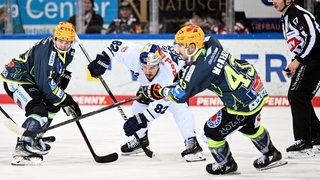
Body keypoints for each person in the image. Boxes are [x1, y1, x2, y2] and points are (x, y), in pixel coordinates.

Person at [129, 25, 286, 175]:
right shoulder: (212, 43)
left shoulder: (199, 71)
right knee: (249, 126)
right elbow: (199, 63)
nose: (177, 49)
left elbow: (179, 95)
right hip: (256, 90)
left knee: (211, 132)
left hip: (241, 105)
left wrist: (156, 91)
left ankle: (226, 164)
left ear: (191, 47)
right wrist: (185, 73)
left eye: (180, 46)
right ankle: (272, 154)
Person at [87, 41, 205, 162]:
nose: (148, 71)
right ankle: (141, 140)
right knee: (138, 106)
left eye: (153, 67)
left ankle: (193, 144)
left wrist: (141, 119)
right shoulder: (133, 56)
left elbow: (160, 106)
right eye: (145, 67)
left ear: (160, 63)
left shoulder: (166, 76)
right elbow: (115, 45)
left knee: (179, 108)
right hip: (151, 85)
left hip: (176, 84)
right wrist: (102, 59)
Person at [0, 21, 82, 165]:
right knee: (39, 110)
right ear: (54, 38)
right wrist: (66, 100)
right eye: (61, 41)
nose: (63, 45)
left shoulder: (69, 52)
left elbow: (55, 73)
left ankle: (36, 137)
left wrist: (60, 90)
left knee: (53, 105)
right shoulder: (46, 53)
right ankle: (23, 147)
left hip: (33, 80)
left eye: (67, 42)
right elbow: (45, 84)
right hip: (16, 80)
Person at [273, 0, 320, 158]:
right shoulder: (286, 17)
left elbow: (314, 37)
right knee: (300, 97)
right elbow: (300, 42)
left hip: (315, 59)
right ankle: (317, 137)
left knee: (297, 95)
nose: (274, 1)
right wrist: (295, 63)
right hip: (308, 60)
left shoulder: (298, 13)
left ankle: (303, 142)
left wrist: (298, 60)